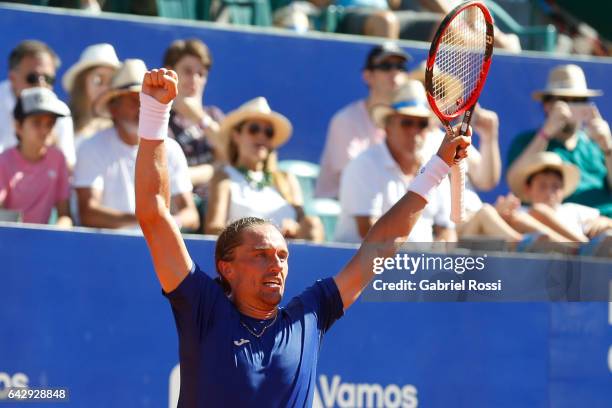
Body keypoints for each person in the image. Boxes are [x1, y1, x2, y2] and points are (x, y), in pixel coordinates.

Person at [134, 66, 469, 407]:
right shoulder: (202, 306)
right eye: (261, 254)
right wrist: (155, 112)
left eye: (282, 256)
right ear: (227, 268)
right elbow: (154, 214)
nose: (275, 265)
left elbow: (381, 244)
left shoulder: (309, 314)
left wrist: (438, 166)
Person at [73, 59, 199, 231]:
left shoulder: (172, 149)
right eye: (135, 99)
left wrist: (166, 223)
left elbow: (191, 215)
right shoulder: (91, 147)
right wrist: (151, 221)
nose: (142, 107)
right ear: (113, 108)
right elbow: (88, 213)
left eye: (146, 99)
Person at [335, 79, 455, 243]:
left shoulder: (435, 168)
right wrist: (420, 262)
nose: (414, 131)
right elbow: (370, 233)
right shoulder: (363, 166)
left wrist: (435, 261)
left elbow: (447, 230)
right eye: (407, 122)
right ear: (387, 126)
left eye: (422, 124)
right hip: (373, 266)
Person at [205, 97, 324, 241]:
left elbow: (305, 226)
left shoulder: (286, 179)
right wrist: (259, 235)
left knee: (313, 223)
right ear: (236, 136)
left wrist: (295, 229)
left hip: (289, 257)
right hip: (248, 257)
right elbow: (213, 228)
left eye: (269, 132)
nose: (261, 136)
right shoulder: (224, 177)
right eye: (254, 129)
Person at [506, 64, 612, 217]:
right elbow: (515, 183)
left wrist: (608, 148)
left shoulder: (596, 144)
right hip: (561, 226)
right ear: (546, 105)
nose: (571, 106)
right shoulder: (526, 141)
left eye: (578, 100)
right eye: (563, 100)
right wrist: (546, 133)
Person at [315, 42, 409, 199]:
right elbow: (353, 178)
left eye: (400, 67)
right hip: (339, 210)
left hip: (384, 207)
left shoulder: (407, 122)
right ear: (367, 76)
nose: (394, 73)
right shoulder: (345, 120)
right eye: (386, 66)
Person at [0, 87, 72, 227]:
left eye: (50, 123)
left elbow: (65, 215)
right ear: (18, 126)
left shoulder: (58, 159)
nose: (45, 130)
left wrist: (54, 235)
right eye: (37, 123)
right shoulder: (3, 162)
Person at [162, 39, 225, 200]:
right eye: (188, 71)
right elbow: (168, 178)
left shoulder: (214, 114)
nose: (194, 79)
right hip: (183, 204)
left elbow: (233, 154)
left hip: (218, 201)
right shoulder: (160, 119)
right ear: (170, 72)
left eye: (201, 74)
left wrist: (199, 118)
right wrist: (216, 168)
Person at [0, 40, 76, 167]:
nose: (41, 84)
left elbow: (68, 168)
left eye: (48, 79)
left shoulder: (61, 113)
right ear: (13, 78)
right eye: (32, 78)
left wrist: (53, 145)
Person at [509, 151, 612, 243]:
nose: (549, 192)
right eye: (542, 186)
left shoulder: (573, 210)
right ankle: (580, 247)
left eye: (555, 187)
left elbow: (605, 222)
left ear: (563, 189)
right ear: (528, 189)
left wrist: (605, 222)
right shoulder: (520, 212)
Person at [62, 43, 121, 147]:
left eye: (112, 81)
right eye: (98, 80)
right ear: (82, 84)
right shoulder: (62, 124)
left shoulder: (123, 128)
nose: (106, 88)